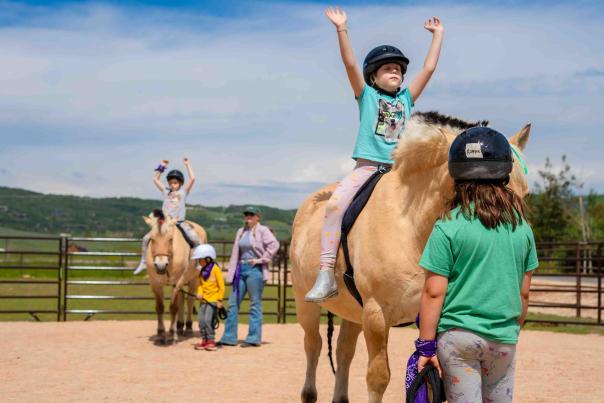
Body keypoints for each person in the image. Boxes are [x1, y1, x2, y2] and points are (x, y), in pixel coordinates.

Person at [305, 7, 445, 302]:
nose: (394, 71)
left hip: (399, 172)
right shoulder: (367, 96)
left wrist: (438, 36)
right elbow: (350, 64)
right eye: (386, 68)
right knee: (333, 208)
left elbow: (429, 69)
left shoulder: (407, 99)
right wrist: (342, 29)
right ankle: (326, 273)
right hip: (368, 168)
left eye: (398, 68)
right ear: (373, 77)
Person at [415, 127, 538, 402]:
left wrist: (425, 347)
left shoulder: (447, 226)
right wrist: (509, 330)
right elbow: (524, 293)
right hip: (503, 338)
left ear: (456, 175)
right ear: (506, 173)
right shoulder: (523, 229)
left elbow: (434, 292)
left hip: (458, 339)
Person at [218, 207, 279, 347]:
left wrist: (261, 259)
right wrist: (231, 273)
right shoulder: (240, 231)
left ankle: (253, 338)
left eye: (251, 214)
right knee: (232, 303)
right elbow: (235, 253)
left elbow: (274, 244)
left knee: (255, 304)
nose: (248, 217)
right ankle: (229, 337)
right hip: (240, 269)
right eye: (246, 214)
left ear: (258, 217)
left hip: (255, 270)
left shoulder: (263, 230)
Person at [133, 158, 200, 275]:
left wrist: (187, 165)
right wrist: (161, 167)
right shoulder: (165, 191)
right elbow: (155, 179)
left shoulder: (183, 192)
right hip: (165, 224)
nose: (173, 185)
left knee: (194, 237)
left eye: (175, 183)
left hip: (179, 222)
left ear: (180, 183)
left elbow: (193, 178)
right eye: (171, 183)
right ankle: (143, 261)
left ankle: (198, 262)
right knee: (145, 238)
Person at [191, 244, 225, 352]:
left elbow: (221, 286)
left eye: (200, 259)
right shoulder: (202, 271)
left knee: (207, 320)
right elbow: (201, 284)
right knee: (201, 320)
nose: (199, 262)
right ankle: (204, 340)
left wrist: (219, 300)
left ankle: (211, 341)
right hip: (203, 300)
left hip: (213, 300)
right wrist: (199, 293)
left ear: (208, 258)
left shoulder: (216, 269)